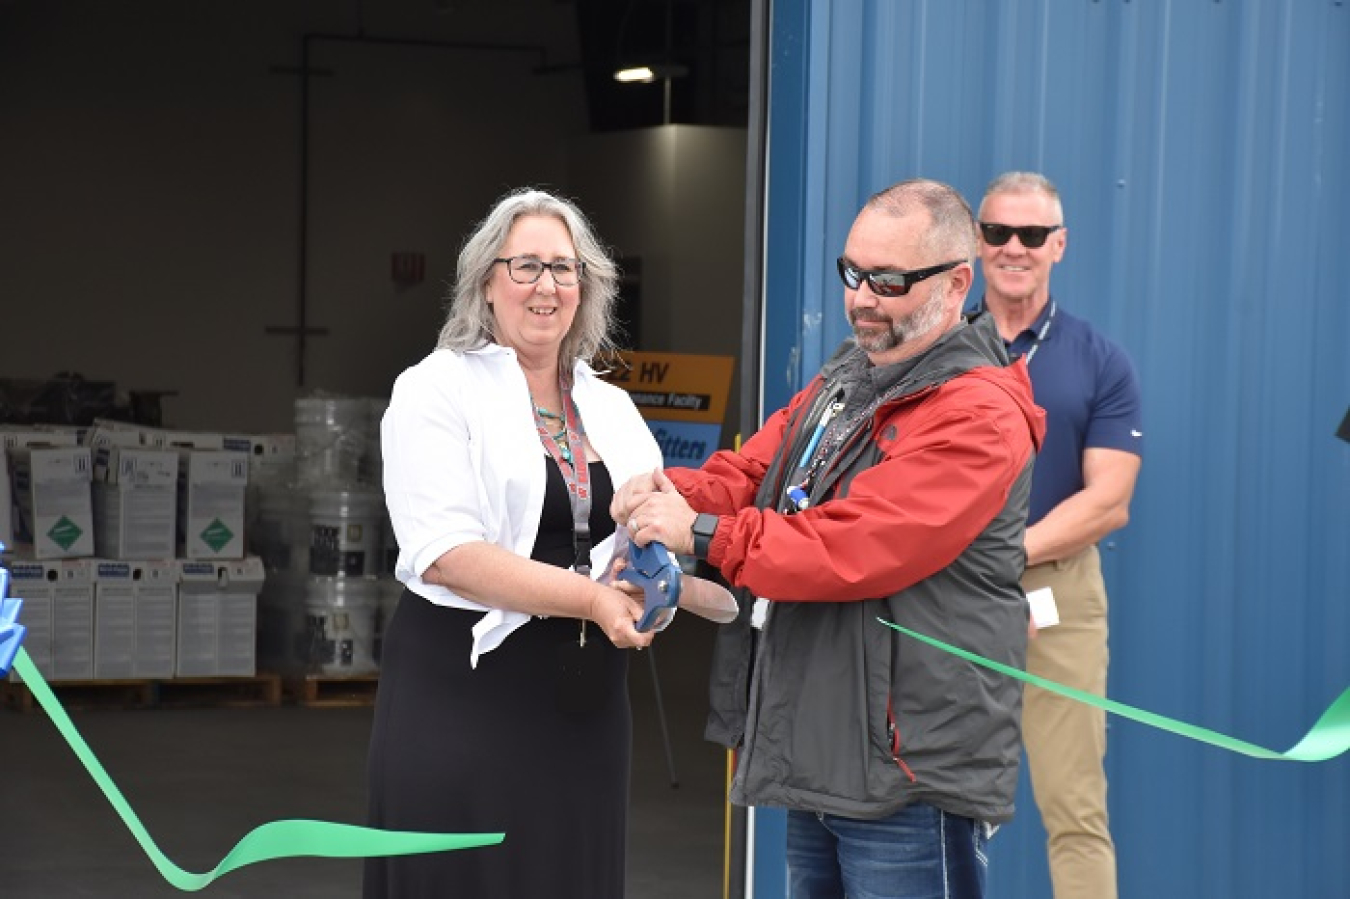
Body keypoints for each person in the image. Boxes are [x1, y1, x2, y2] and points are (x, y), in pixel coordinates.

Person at [613, 178, 1046, 898]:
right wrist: (672, 492)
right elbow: (757, 469)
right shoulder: (852, 375)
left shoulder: (978, 412)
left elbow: (852, 547)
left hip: (910, 772)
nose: (862, 297)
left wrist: (701, 531)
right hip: (825, 749)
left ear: (957, 283)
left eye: (889, 279)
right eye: (852, 272)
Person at [366, 187, 664, 899]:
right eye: (525, 265)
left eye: (564, 269)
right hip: (463, 692)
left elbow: (650, 529)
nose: (546, 286)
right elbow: (446, 551)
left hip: (584, 706)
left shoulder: (612, 406)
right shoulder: (435, 389)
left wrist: (654, 582)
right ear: (485, 282)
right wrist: (593, 597)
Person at [972, 171, 1143, 899]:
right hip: (943, 593)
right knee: (922, 804)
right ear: (975, 244)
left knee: (1075, 811)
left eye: (1033, 234)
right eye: (998, 232)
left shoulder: (1099, 360)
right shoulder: (940, 347)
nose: (1015, 247)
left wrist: (1010, 556)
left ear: (1059, 244)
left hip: (1058, 598)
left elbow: (1109, 501)